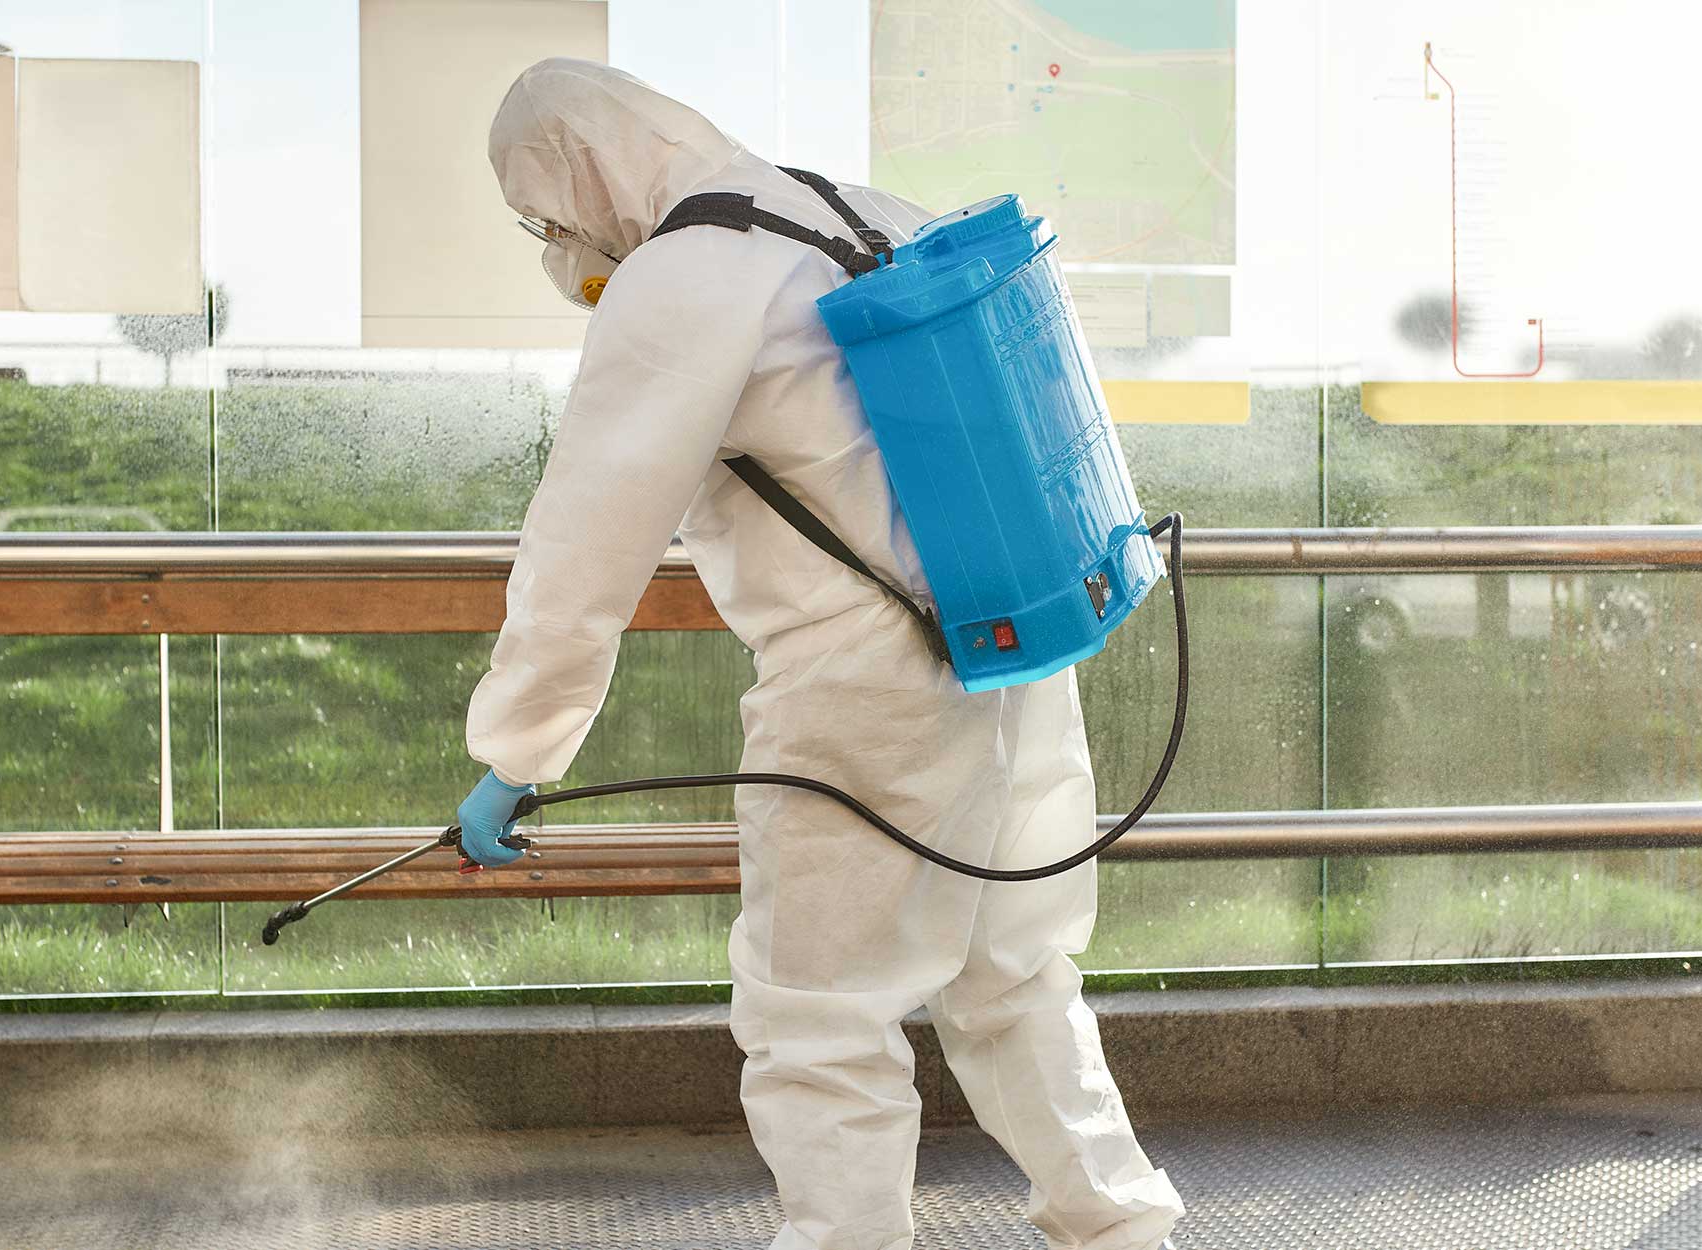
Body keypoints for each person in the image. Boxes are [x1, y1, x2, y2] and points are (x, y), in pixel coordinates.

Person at [458, 58, 1186, 1250]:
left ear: (578, 170)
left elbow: (583, 546)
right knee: (1018, 976)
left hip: (864, 690)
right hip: (1015, 646)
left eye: (545, 213)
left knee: (818, 1016)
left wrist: (519, 746)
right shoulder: (858, 211)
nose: (558, 243)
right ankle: (1119, 1230)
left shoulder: (679, 277)